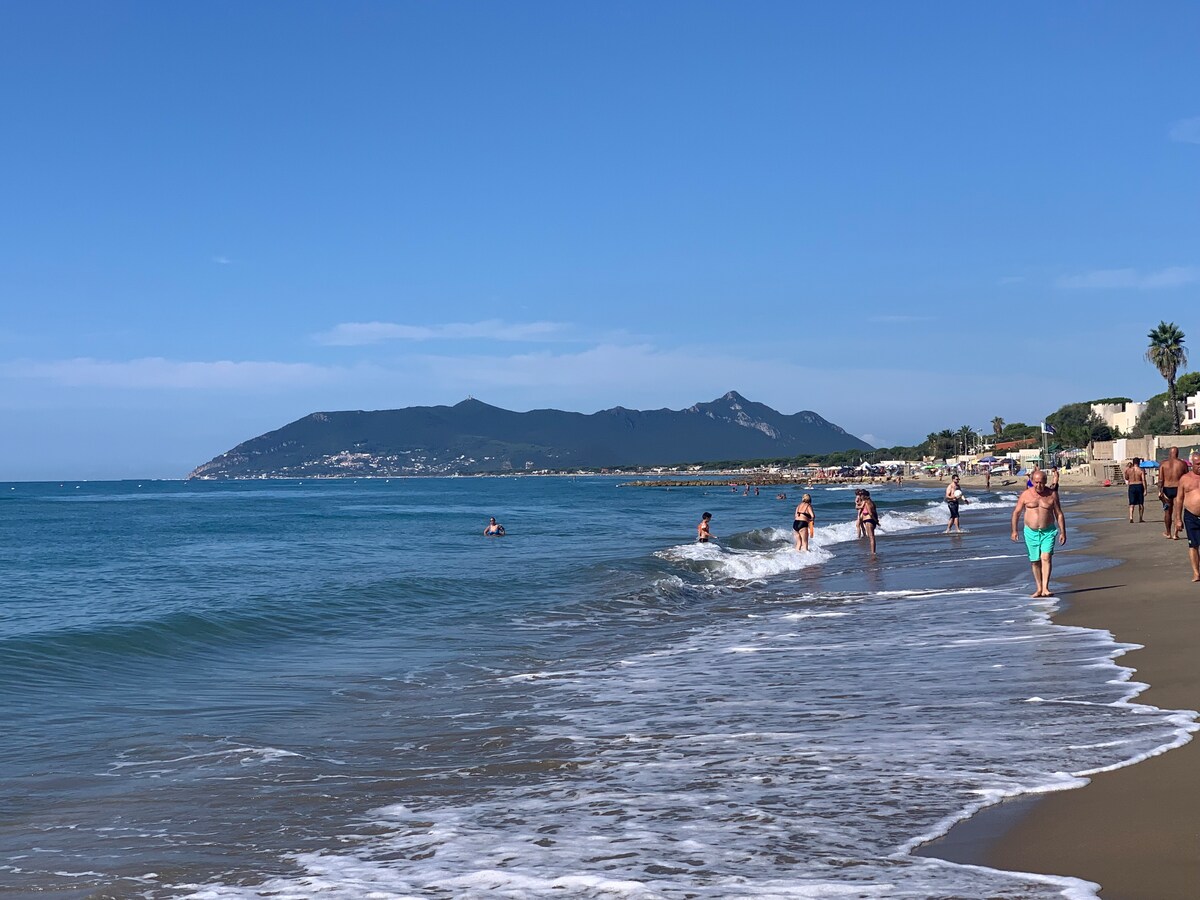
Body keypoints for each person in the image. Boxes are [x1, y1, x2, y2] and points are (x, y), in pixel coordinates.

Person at [1010, 469, 1066, 597]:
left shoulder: (1052, 494)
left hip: (1048, 531)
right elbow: (1016, 513)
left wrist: (1063, 532)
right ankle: (1039, 588)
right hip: (1031, 532)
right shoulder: (1025, 495)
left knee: (1045, 557)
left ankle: (1046, 587)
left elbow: (1059, 514)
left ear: (1046, 481)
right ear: (1032, 481)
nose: (1038, 485)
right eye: (1036, 482)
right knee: (1035, 560)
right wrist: (1014, 530)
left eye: (1041, 482)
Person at [1172, 450, 1200, 581]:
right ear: (1192, 464)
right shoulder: (1185, 479)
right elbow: (1179, 499)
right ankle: (1196, 573)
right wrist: (1177, 519)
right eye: (1197, 464)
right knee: (1193, 545)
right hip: (1191, 516)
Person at [1159, 447, 1188, 540]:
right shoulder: (1182, 464)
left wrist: (1160, 491)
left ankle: (1168, 533)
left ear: (1169, 453)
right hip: (1178, 488)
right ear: (1177, 453)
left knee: (1167, 512)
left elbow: (1160, 480)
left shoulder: (1163, 464)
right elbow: (1187, 478)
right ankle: (1175, 533)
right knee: (1177, 512)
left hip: (1167, 489)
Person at [1124, 458, 1146, 523]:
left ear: (1133, 463)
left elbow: (1126, 478)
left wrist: (1126, 472)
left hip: (1131, 486)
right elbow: (1143, 480)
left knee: (1131, 503)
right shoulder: (1141, 470)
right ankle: (1140, 518)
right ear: (1139, 463)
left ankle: (1131, 517)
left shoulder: (1129, 470)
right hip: (1139, 485)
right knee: (1141, 503)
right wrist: (1145, 490)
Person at [858, 490, 879, 555]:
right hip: (871, 521)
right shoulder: (872, 502)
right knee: (871, 537)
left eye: (861, 495)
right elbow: (875, 512)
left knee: (871, 537)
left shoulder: (867, 503)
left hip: (869, 520)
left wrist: (875, 520)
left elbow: (870, 513)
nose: (860, 496)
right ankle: (873, 552)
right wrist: (876, 521)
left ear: (865, 496)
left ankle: (873, 552)